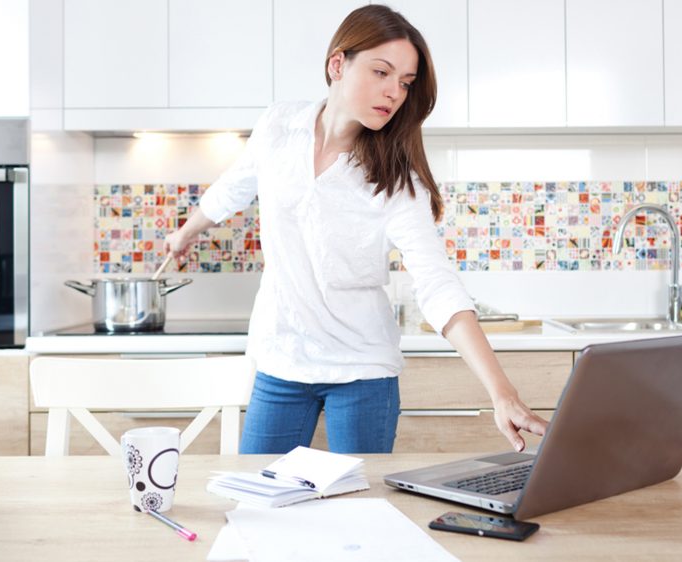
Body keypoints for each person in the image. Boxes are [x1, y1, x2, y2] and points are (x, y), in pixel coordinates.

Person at [164, 4, 547, 455]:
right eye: (381, 72)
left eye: (404, 83)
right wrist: (185, 232)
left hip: (362, 373)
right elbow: (234, 186)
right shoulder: (279, 126)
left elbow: (437, 285)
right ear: (336, 65)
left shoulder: (398, 181)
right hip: (281, 361)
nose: (394, 93)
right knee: (259, 503)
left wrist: (502, 393)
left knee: (359, 511)